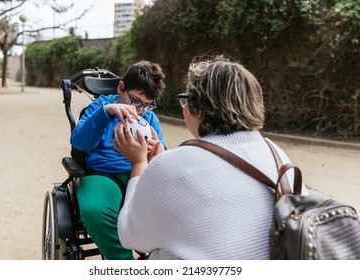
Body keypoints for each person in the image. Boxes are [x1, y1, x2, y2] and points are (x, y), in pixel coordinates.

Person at [113, 55, 308, 259]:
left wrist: (139, 163)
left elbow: (130, 237)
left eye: (186, 99)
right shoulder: (277, 154)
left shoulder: (173, 164)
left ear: (198, 107)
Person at [70, 60, 166, 260]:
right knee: (94, 209)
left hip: (142, 174)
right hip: (105, 175)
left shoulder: (150, 119)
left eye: (147, 105)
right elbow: (79, 141)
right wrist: (106, 112)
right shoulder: (100, 107)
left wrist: (156, 150)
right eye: (136, 100)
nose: (140, 110)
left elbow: (162, 155)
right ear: (121, 87)